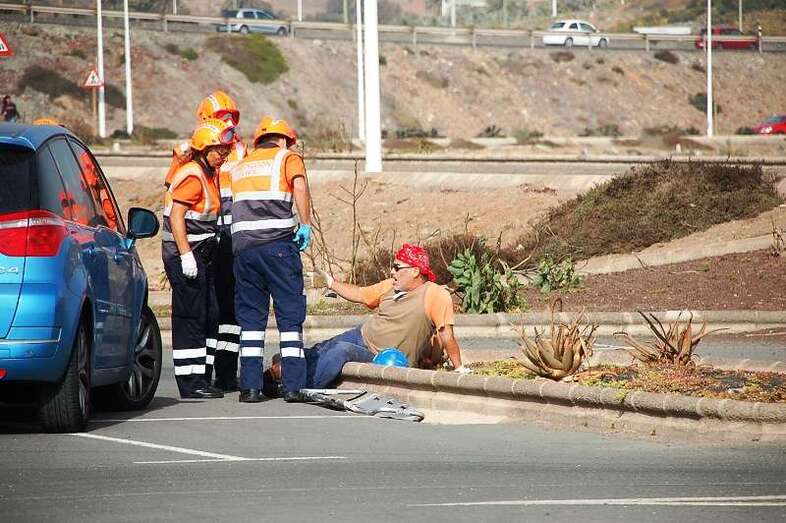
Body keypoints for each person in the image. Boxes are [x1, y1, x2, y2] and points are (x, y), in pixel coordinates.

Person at [163, 90, 247, 391]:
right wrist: (185, 253)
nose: (228, 123)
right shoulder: (191, 163)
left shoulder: (229, 154)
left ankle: (210, 374)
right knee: (193, 314)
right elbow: (176, 208)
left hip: (216, 243)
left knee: (214, 313)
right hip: (191, 248)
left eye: (231, 117)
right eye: (221, 118)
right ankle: (193, 379)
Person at [300, 243, 470, 390]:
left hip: (381, 355)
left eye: (397, 267)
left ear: (415, 271)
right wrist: (330, 282)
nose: (392, 272)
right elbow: (360, 294)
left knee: (340, 350)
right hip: (361, 335)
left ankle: (302, 387)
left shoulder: (435, 294)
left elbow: (446, 334)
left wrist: (459, 368)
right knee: (315, 351)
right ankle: (284, 374)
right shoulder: (390, 286)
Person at [230, 116, 312, 403]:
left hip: (244, 251)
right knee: (290, 316)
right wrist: (305, 224)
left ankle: (250, 388)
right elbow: (299, 187)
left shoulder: (242, 165)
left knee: (251, 320)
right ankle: (292, 386)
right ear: (285, 140)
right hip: (277, 246)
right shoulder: (287, 158)